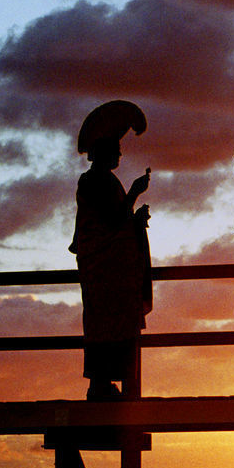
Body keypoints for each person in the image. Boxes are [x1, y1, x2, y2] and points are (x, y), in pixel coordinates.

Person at [71, 100, 152, 401]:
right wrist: (133, 194)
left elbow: (117, 220)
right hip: (105, 272)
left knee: (112, 328)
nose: (120, 153)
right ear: (103, 150)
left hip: (114, 272)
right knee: (106, 327)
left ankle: (105, 384)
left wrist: (134, 218)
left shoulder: (103, 181)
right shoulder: (93, 182)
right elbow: (111, 221)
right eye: (116, 148)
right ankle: (100, 385)